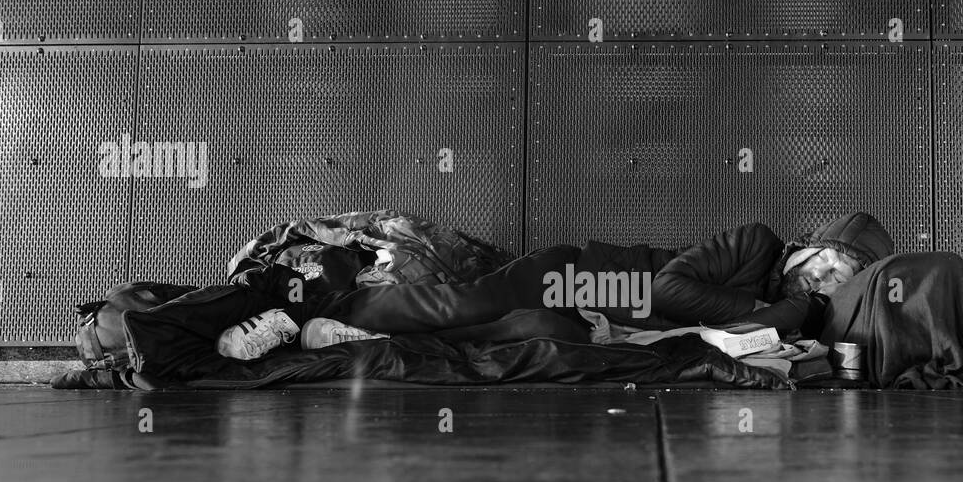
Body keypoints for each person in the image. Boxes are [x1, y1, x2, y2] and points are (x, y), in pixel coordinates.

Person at [215, 212, 895, 359]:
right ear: (814, 245)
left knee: (521, 337)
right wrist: (764, 307)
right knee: (469, 300)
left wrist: (790, 315)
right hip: (584, 274)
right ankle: (301, 310)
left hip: (602, 325)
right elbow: (667, 292)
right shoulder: (756, 243)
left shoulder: (802, 313)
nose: (829, 277)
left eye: (844, 278)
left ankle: (360, 333)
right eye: (831, 261)